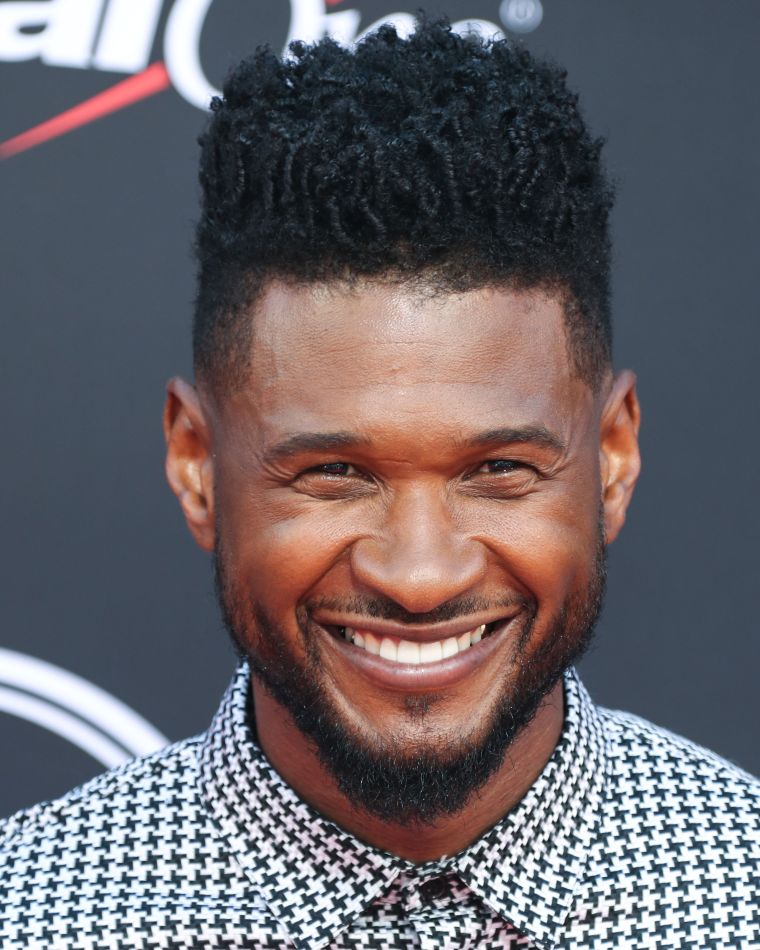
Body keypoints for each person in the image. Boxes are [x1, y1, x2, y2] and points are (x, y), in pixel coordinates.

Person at [1, 17, 757, 950]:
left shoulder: (741, 886)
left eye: (499, 471)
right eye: (334, 474)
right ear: (197, 465)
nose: (420, 575)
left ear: (612, 457)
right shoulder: (35, 914)